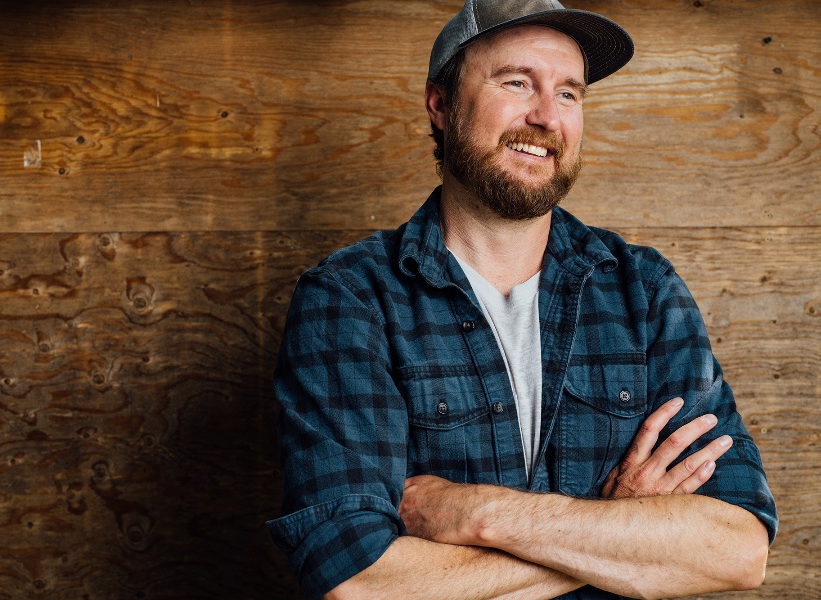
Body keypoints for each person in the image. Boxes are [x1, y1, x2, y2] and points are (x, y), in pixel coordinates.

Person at [267, 1, 778, 598]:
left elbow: (738, 548)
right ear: (441, 104)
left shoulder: (642, 289)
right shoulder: (351, 298)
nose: (546, 117)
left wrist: (477, 514)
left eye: (568, 94)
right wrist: (618, 530)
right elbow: (357, 580)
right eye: (516, 83)